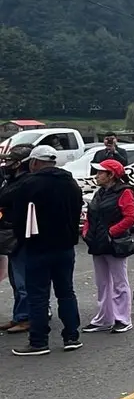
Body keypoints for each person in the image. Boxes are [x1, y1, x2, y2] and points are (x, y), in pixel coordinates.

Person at [0, 145, 85, 356]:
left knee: (38, 296)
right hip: (65, 247)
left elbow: (6, 201)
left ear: (35, 163)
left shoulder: (29, 184)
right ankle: (71, 336)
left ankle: (39, 341)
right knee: (66, 292)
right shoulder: (71, 183)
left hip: (37, 246)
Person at [81, 159, 134, 334]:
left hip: (115, 243)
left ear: (111, 175)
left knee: (119, 282)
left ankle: (122, 319)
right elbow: (91, 216)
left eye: (100, 172)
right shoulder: (100, 193)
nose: (97, 175)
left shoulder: (124, 192)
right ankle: (104, 318)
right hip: (98, 243)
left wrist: (111, 233)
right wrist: (86, 232)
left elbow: (130, 217)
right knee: (102, 283)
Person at [0, 144, 34, 335]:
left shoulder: (24, 182)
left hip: (19, 234)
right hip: (11, 233)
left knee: (22, 280)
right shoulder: (12, 179)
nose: (6, 164)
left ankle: (26, 317)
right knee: (15, 279)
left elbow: (3, 198)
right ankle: (19, 315)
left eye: (11, 161)